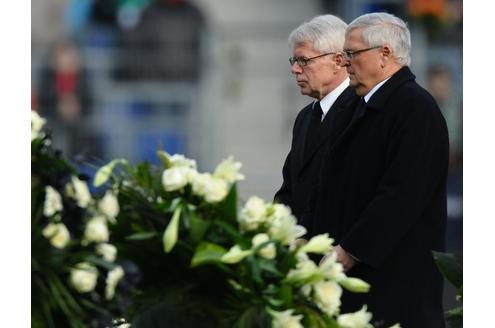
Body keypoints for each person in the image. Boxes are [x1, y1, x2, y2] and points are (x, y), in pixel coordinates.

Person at [311, 13, 449, 327]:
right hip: (355, 280)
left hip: (393, 285)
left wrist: (349, 251)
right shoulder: (357, 105)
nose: (345, 63)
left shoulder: (416, 108)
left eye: (352, 53)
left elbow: (401, 195)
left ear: (384, 54)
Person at [274, 14, 359, 232]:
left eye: (304, 60)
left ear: (338, 61)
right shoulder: (305, 117)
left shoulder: (360, 110)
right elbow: (290, 187)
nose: (295, 69)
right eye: (294, 61)